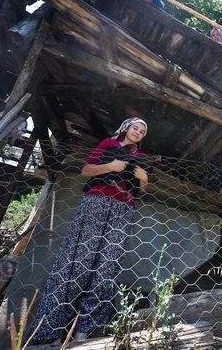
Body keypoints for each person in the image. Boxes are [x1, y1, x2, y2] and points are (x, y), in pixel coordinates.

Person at [31, 117, 149, 344]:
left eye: (143, 131)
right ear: (125, 127)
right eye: (136, 127)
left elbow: (143, 188)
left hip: (123, 210)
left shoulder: (141, 158)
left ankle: (83, 333)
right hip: (96, 203)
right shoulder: (107, 144)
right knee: (76, 266)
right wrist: (111, 167)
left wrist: (144, 179)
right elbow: (86, 170)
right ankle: (55, 332)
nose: (138, 132)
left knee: (106, 269)